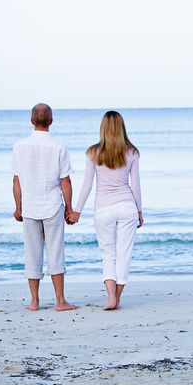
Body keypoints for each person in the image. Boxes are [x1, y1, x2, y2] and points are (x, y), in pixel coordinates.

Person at [68, 111, 143, 310]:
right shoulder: (132, 152)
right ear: (121, 127)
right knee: (124, 252)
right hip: (127, 206)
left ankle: (111, 298)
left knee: (108, 252)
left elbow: (87, 185)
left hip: (103, 208)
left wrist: (77, 211)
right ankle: (117, 298)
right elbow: (135, 186)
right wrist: (139, 211)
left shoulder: (93, 152)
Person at [12, 103, 77, 312]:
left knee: (32, 253)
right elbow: (65, 181)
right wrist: (70, 208)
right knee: (56, 252)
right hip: (52, 206)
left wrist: (18, 207)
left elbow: (17, 180)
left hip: (30, 207)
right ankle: (60, 301)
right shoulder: (59, 147)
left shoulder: (19, 146)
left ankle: (34, 301)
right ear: (51, 121)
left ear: (31, 121)